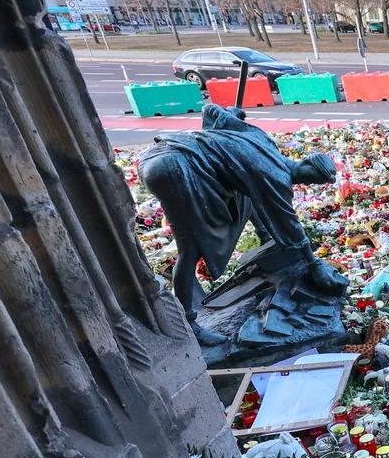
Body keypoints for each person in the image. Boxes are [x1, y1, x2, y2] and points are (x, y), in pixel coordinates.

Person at [138, 104, 347, 345]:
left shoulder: (263, 140)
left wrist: (232, 113)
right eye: (312, 178)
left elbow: (210, 110)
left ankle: (265, 235)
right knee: (191, 250)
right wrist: (313, 265)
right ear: (307, 163)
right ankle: (189, 324)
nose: (308, 183)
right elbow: (290, 225)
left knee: (245, 194)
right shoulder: (277, 176)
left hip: (157, 155)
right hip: (174, 168)